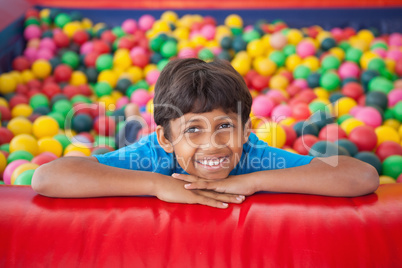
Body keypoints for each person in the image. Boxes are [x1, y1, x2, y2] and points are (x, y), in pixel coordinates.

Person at [32, 58, 379, 209]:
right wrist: (158, 184)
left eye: (225, 126)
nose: (213, 143)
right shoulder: (154, 155)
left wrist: (254, 181)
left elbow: (362, 176)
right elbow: (47, 177)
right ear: (166, 138)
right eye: (193, 129)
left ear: (246, 131)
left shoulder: (255, 156)